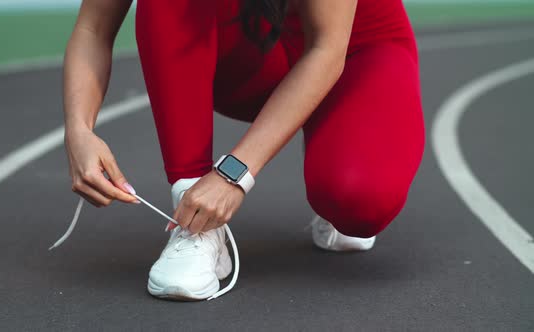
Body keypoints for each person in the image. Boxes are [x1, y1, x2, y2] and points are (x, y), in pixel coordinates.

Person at [62, 0, 425, 301]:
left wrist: (233, 176)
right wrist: (78, 129)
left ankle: (333, 143)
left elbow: (327, 49)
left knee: (357, 200)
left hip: (351, 51)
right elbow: (93, 28)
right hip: (249, 54)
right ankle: (196, 221)